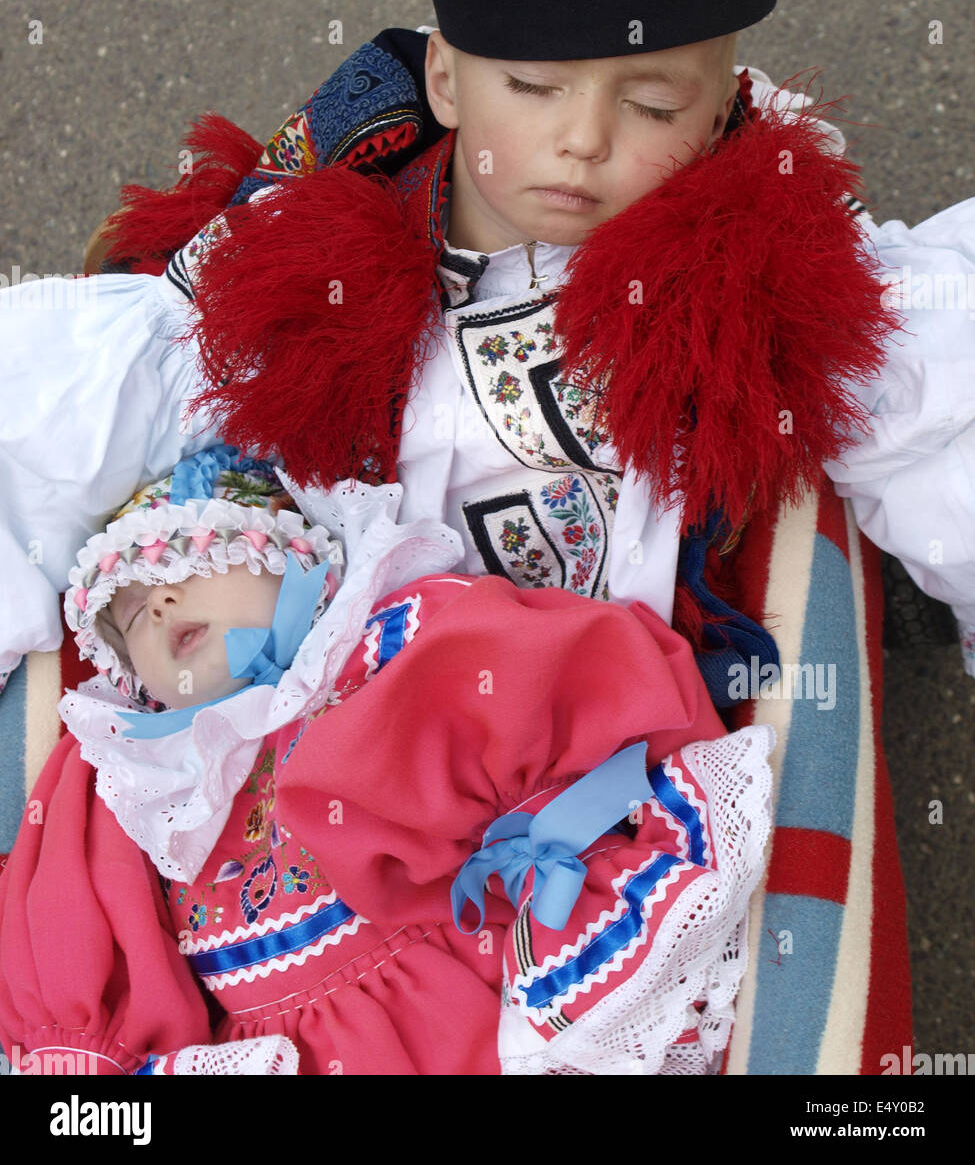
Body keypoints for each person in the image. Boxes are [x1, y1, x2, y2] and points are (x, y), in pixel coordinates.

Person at [1, 0, 972, 713]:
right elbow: (74, 407)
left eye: (653, 105)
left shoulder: (763, 270)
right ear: (448, 82)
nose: (584, 139)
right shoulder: (309, 236)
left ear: (720, 115)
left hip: (600, 692)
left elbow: (938, 409)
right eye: (536, 89)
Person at [0, 448, 774, 1075]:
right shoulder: (142, 784)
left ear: (291, 549)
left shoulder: (392, 649)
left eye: (187, 559)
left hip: (468, 1000)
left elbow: (579, 697)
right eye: (131, 615)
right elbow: (75, 931)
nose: (160, 605)